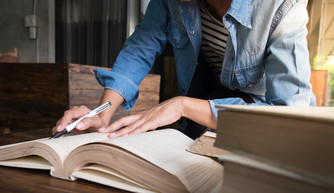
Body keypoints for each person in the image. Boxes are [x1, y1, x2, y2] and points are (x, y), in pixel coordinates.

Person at [53, 0, 316, 139]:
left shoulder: (283, 7)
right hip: (201, 103)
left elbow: (291, 116)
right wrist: (103, 113)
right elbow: (140, 48)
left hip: (253, 116)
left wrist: (182, 106)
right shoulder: (172, 1)